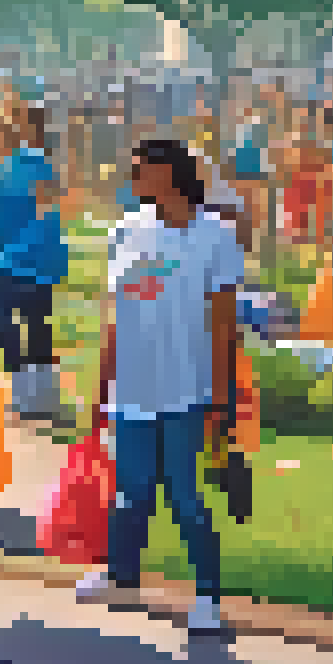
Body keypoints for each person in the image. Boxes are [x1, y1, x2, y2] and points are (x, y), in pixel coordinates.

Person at [79, 139, 244, 637]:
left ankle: (208, 597)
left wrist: (221, 395)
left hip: (185, 390)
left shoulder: (214, 235)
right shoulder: (126, 230)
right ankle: (119, 574)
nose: (133, 179)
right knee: (130, 492)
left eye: (141, 170)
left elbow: (224, 323)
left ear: (170, 174)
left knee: (185, 497)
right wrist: (102, 385)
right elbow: (116, 316)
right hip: (131, 388)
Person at [0, 106, 67, 421]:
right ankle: (30, 394)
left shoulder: (37, 166)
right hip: (12, 260)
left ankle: (38, 397)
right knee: (13, 321)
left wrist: (30, 248)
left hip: (34, 260)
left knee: (32, 324)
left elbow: (48, 211)